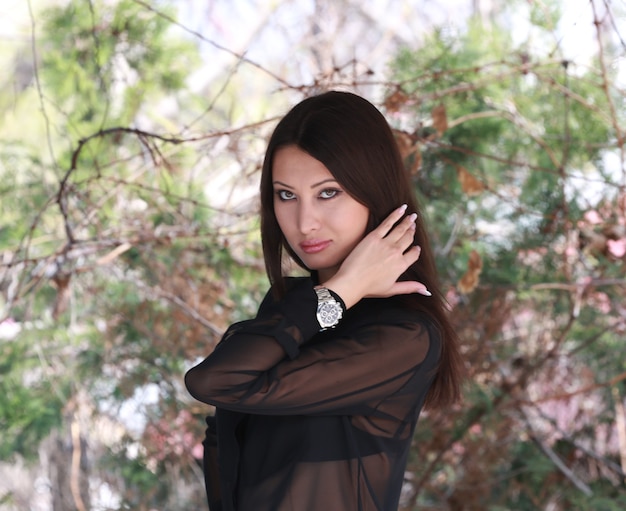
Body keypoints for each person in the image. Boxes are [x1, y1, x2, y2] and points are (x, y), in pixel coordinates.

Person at [185, 90, 463, 511]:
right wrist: (333, 296)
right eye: (286, 195)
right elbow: (224, 433)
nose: (305, 221)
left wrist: (342, 291)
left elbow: (214, 382)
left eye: (328, 193)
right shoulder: (292, 307)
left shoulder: (404, 336)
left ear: (375, 189)